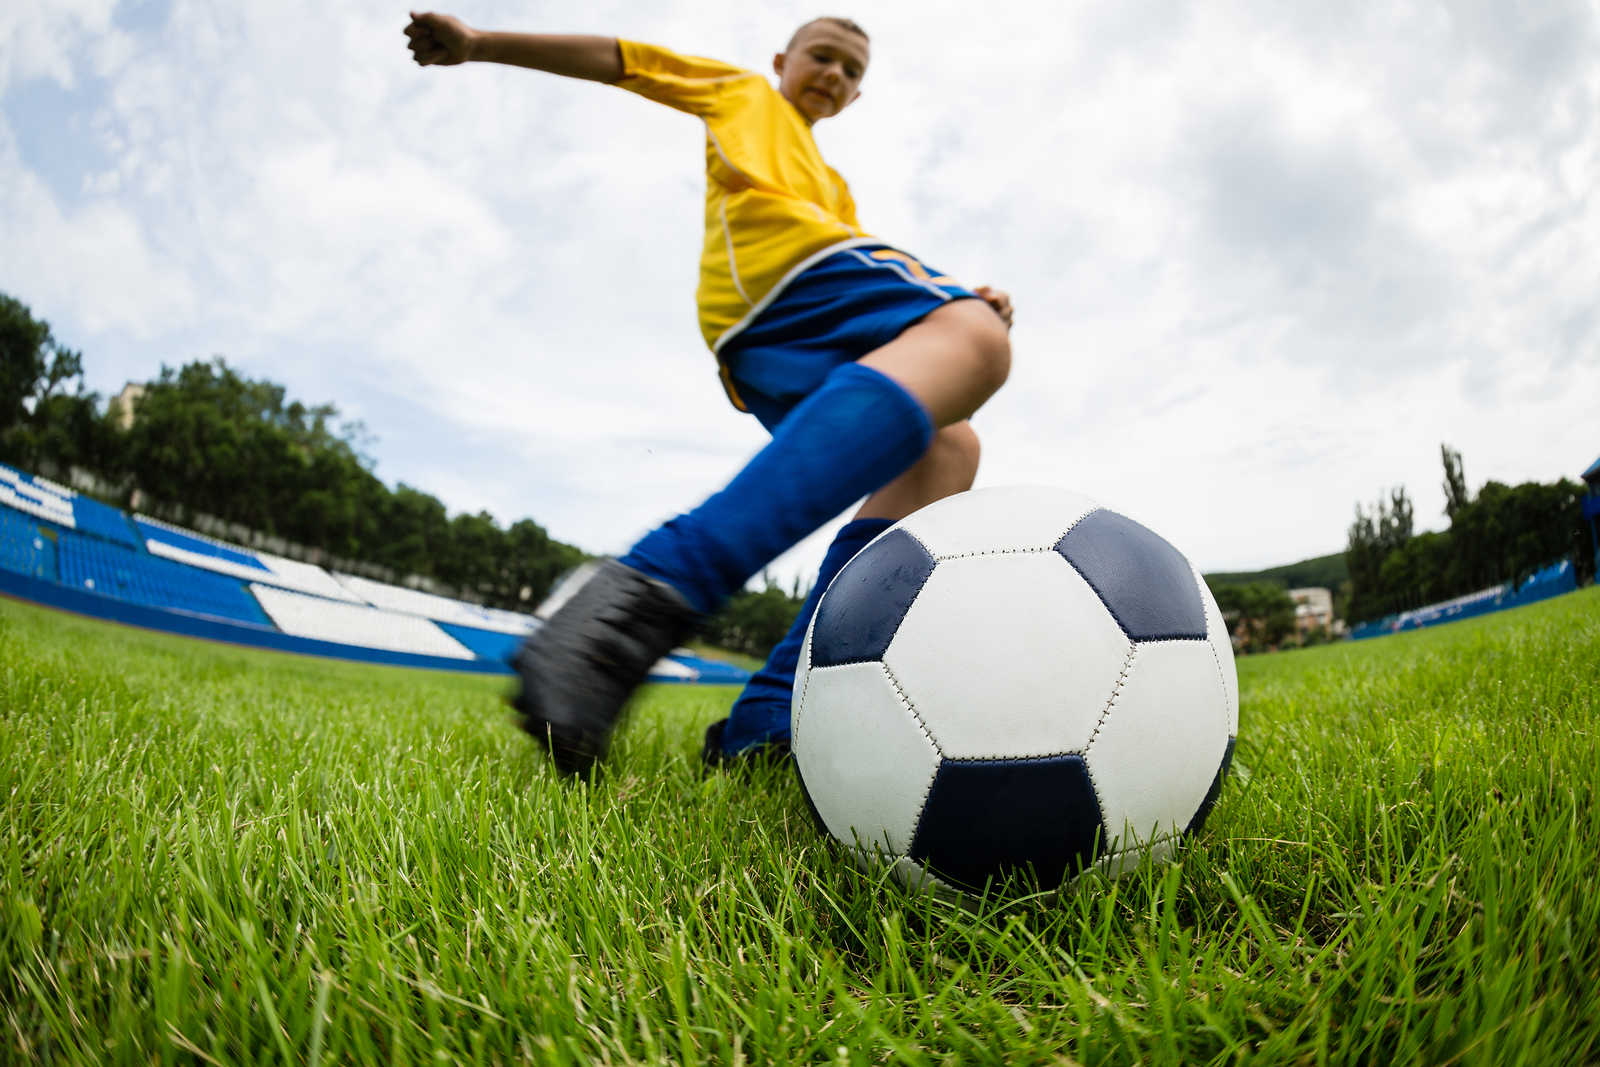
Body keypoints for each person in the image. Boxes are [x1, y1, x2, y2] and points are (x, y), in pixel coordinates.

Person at [405, 12, 1013, 776]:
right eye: (822, 57)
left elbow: (875, 287)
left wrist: (943, 320)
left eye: (851, 72)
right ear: (782, 60)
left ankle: (769, 713)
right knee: (979, 341)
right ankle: (640, 600)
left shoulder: (836, 188)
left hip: (775, 338)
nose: (834, 74)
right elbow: (620, 59)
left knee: (950, 445)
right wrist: (480, 44)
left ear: (858, 98)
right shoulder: (743, 94)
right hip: (777, 287)